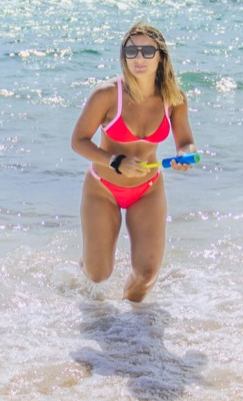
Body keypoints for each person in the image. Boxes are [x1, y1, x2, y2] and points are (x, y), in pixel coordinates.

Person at [71, 22, 197, 302]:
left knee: (146, 275)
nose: (138, 58)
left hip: (148, 189)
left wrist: (185, 156)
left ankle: (129, 332)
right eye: (131, 51)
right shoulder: (106, 95)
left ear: (161, 56)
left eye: (147, 51)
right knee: (97, 274)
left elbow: (185, 141)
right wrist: (115, 162)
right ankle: (86, 265)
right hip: (103, 187)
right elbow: (78, 141)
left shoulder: (173, 98)